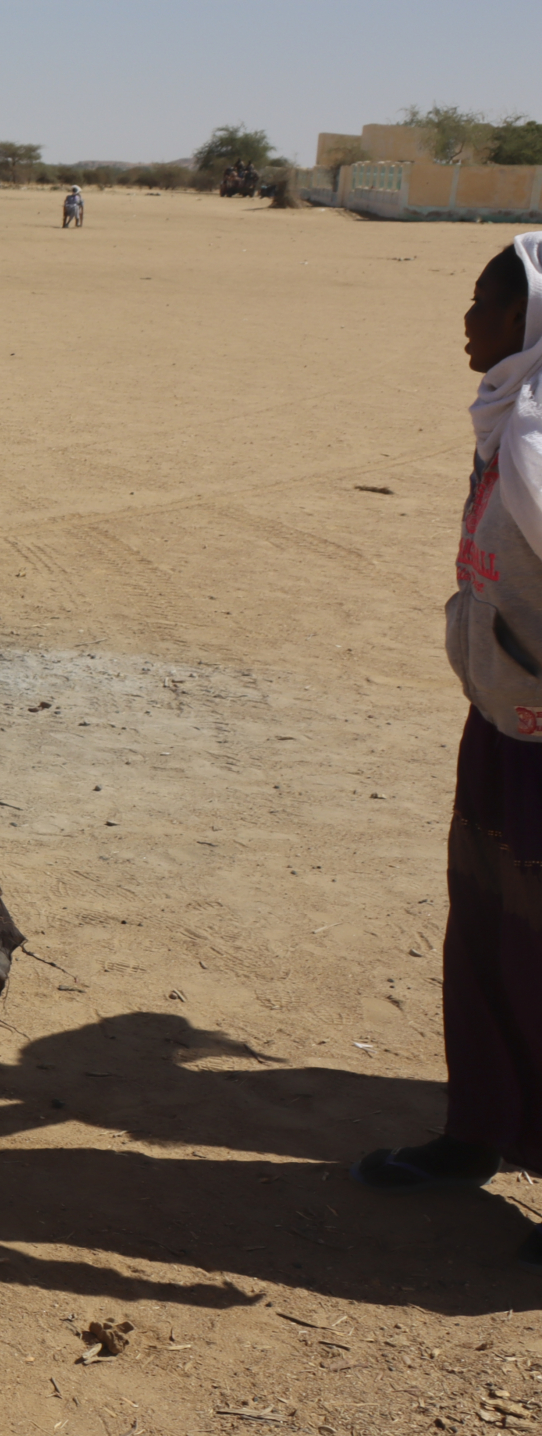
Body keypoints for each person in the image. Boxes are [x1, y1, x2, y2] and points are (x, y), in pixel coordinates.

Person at [355, 234, 542, 1268]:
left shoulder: (533, 435)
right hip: (505, 720)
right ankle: (479, 1126)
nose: (466, 322)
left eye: (485, 303)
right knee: (486, 928)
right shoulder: (512, 416)